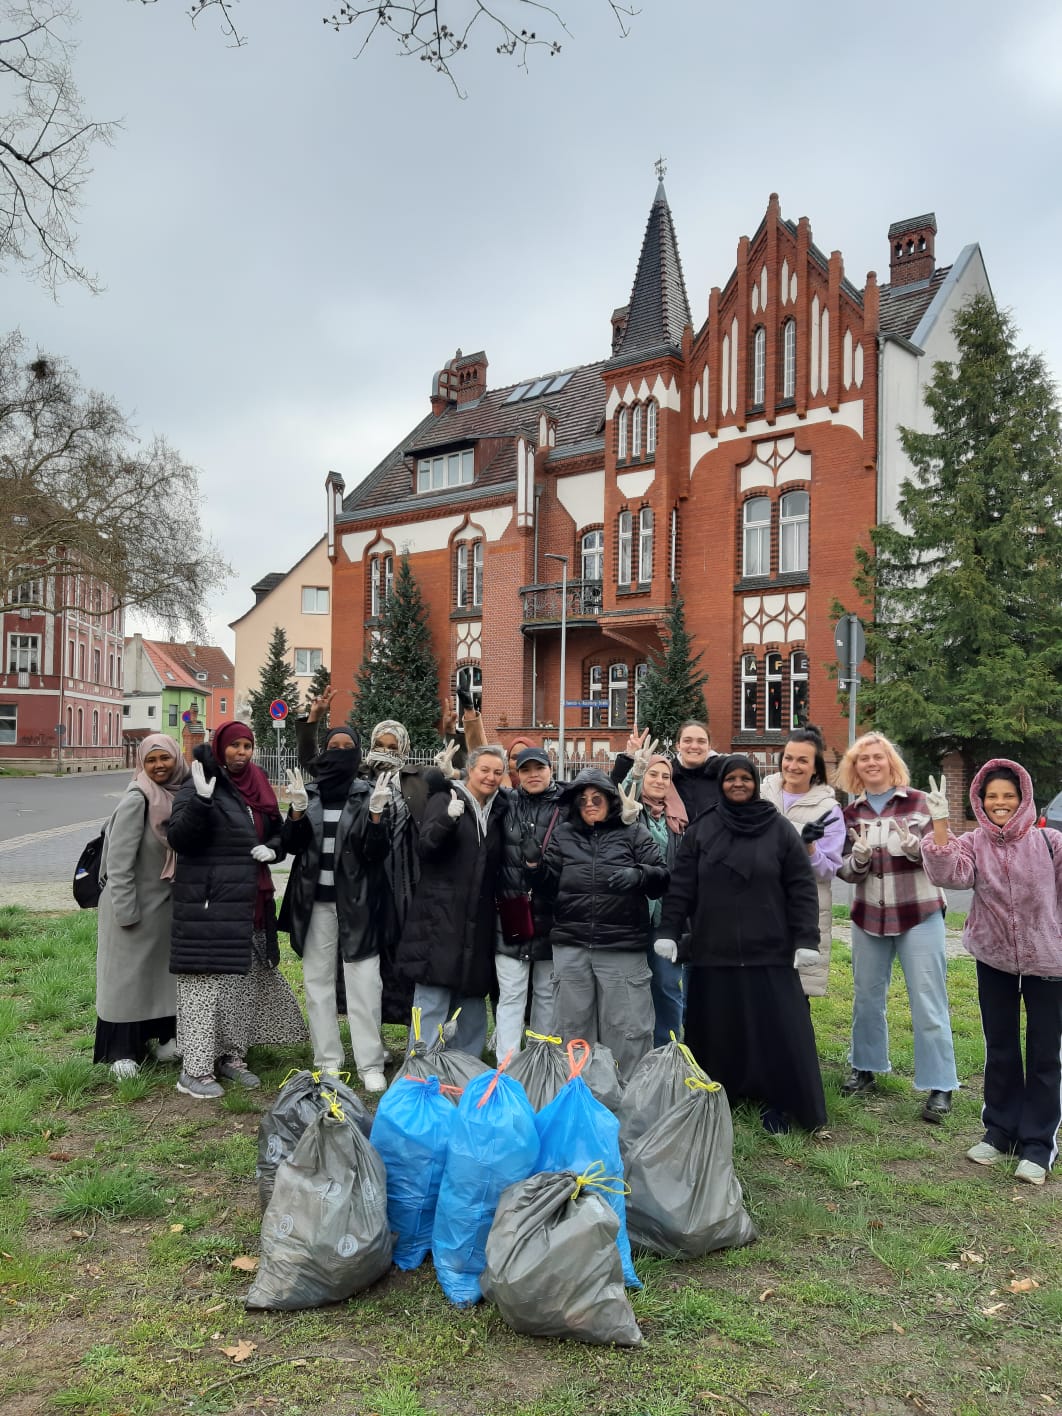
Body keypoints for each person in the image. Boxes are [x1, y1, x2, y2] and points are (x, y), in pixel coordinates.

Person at [656, 756, 827, 1133]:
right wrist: (669, 930)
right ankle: (722, 1091)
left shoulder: (780, 830)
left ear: (754, 782)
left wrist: (805, 938)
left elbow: (801, 887)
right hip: (714, 951)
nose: (737, 784)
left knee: (776, 1030)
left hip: (770, 951)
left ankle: (778, 1100)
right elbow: (681, 885)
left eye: (744, 778)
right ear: (721, 784)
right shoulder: (702, 830)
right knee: (719, 1029)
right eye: (730, 778)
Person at [922, 760, 1062, 1184]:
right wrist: (941, 824)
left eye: (1008, 796)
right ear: (980, 801)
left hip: (1048, 963)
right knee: (1000, 1048)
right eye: (992, 796)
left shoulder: (1051, 842)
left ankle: (1038, 1145)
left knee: (1044, 1055)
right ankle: (1000, 1131)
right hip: (995, 960)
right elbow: (951, 874)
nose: (1000, 803)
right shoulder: (973, 843)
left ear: (1023, 799)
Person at [167, 721, 308, 1100]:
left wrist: (283, 834)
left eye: (247, 745)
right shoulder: (200, 780)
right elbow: (179, 838)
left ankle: (232, 1057)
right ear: (219, 747)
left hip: (252, 899)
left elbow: (276, 835)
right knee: (204, 987)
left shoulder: (258, 782)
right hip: (209, 904)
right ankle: (194, 1070)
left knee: (240, 986)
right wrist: (200, 801)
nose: (242, 752)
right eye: (234, 746)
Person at [836, 731, 959, 1123]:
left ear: (892, 762)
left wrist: (915, 848)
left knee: (928, 1000)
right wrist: (857, 860)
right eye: (862, 759)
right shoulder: (850, 813)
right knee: (866, 996)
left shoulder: (922, 802)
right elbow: (844, 871)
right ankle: (865, 1066)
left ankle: (940, 1084)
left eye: (878, 757)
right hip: (869, 914)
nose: (871, 763)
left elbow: (946, 854)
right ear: (854, 768)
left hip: (918, 911)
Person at [531, 768, 668, 1082]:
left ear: (610, 800)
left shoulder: (633, 832)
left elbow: (662, 878)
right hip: (572, 945)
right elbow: (548, 886)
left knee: (627, 1028)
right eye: (583, 800)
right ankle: (577, 1093)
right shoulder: (563, 834)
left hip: (621, 947)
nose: (590, 804)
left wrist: (640, 875)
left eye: (597, 798)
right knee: (572, 1027)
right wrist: (533, 866)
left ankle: (626, 1095)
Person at [278, 726, 394, 1091]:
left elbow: (377, 853)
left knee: (365, 984)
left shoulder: (367, 793)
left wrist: (376, 817)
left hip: (358, 903)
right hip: (314, 904)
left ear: (358, 752)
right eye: (333, 746)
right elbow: (292, 847)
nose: (340, 752)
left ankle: (370, 1062)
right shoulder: (308, 793)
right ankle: (327, 1060)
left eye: (348, 747)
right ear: (324, 751)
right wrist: (296, 813)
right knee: (318, 985)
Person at [396, 745, 509, 1059]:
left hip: (479, 923)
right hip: (439, 921)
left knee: (471, 1009)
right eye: (484, 770)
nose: (490, 777)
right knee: (431, 1002)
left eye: (497, 772)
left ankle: (464, 1078)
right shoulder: (445, 800)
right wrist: (446, 820)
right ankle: (418, 1077)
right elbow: (427, 847)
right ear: (470, 770)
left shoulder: (499, 808)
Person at [94, 734, 189, 1080]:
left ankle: (163, 1039)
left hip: (162, 908)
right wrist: (125, 911)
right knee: (126, 982)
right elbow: (117, 863)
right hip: (131, 905)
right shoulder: (138, 798)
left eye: (165, 758)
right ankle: (121, 1051)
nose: (159, 766)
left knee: (159, 981)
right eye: (151, 760)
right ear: (142, 765)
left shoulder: (180, 794)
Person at [760, 727, 844, 997]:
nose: (792, 766)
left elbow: (828, 869)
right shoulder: (762, 794)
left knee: (795, 997)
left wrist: (808, 846)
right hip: (759, 907)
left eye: (802, 760)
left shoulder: (828, 809)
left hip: (802, 914)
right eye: (788, 758)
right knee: (757, 993)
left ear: (815, 768)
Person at [495, 745, 563, 1055]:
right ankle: (506, 1063)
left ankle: (540, 1058)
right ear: (517, 774)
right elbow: (476, 778)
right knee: (511, 992)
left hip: (551, 912)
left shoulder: (567, 804)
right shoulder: (507, 802)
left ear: (551, 769)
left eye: (539, 768)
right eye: (525, 770)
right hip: (513, 908)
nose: (533, 775)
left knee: (547, 993)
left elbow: (604, 794)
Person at [619, 745, 687, 1045]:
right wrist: (633, 772)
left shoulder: (678, 820)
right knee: (630, 988)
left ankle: (668, 1049)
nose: (659, 781)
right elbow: (618, 802)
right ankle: (632, 1048)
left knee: (667, 985)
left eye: (666, 776)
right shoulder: (630, 810)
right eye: (653, 774)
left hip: (665, 918)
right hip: (631, 914)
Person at [613, 719, 722, 818]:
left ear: (709, 746)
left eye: (701, 741)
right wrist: (629, 757)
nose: (694, 746)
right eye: (687, 741)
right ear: (678, 746)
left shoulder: (722, 775)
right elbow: (617, 792)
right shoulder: (666, 776)